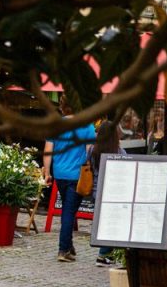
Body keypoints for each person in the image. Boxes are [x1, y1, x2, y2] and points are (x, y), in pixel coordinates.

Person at [43, 102, 97, 263]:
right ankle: (63, 249)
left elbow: (48, 150)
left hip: (60, 174)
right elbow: (90, 151)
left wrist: (47, 172)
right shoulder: (87, 126)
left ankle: (69, 246)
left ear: (62, 108)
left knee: (68, 208)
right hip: (77, 175)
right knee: (69, 211)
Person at [89, 121, 124, 267]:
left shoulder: (92, 150)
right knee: (112, 224)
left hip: (96, 191)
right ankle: (103, 255)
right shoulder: (119, 152)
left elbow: (89, 168)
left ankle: (106, 254)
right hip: (112, 192)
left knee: (105, 223)